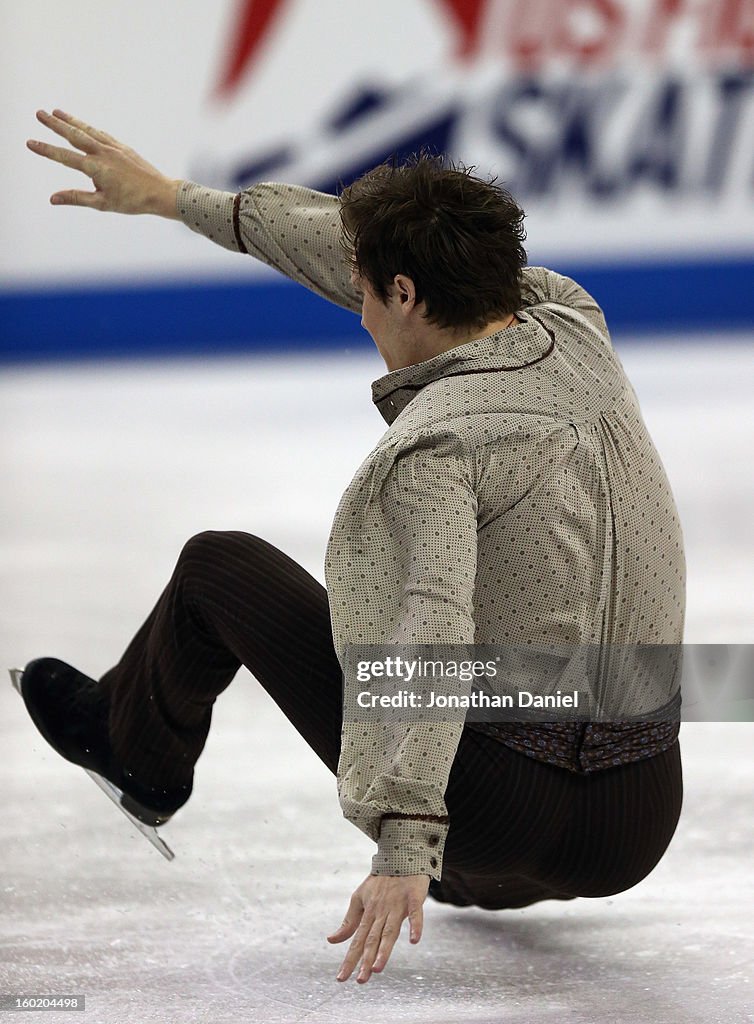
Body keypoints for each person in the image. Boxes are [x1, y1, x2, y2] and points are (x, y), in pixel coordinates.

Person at [22, 109, 685, 985]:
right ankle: (479, 869)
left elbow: (430, 627)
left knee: (219, 567)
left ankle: (131, 748)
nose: (359, 307)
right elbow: (336, 245)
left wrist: (406, 841)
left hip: (496, 808)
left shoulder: (438, 444)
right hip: (635, 824)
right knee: (550, 690)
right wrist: (176, 200)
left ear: (404, 295)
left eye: (367, 291)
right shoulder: (571, 317)